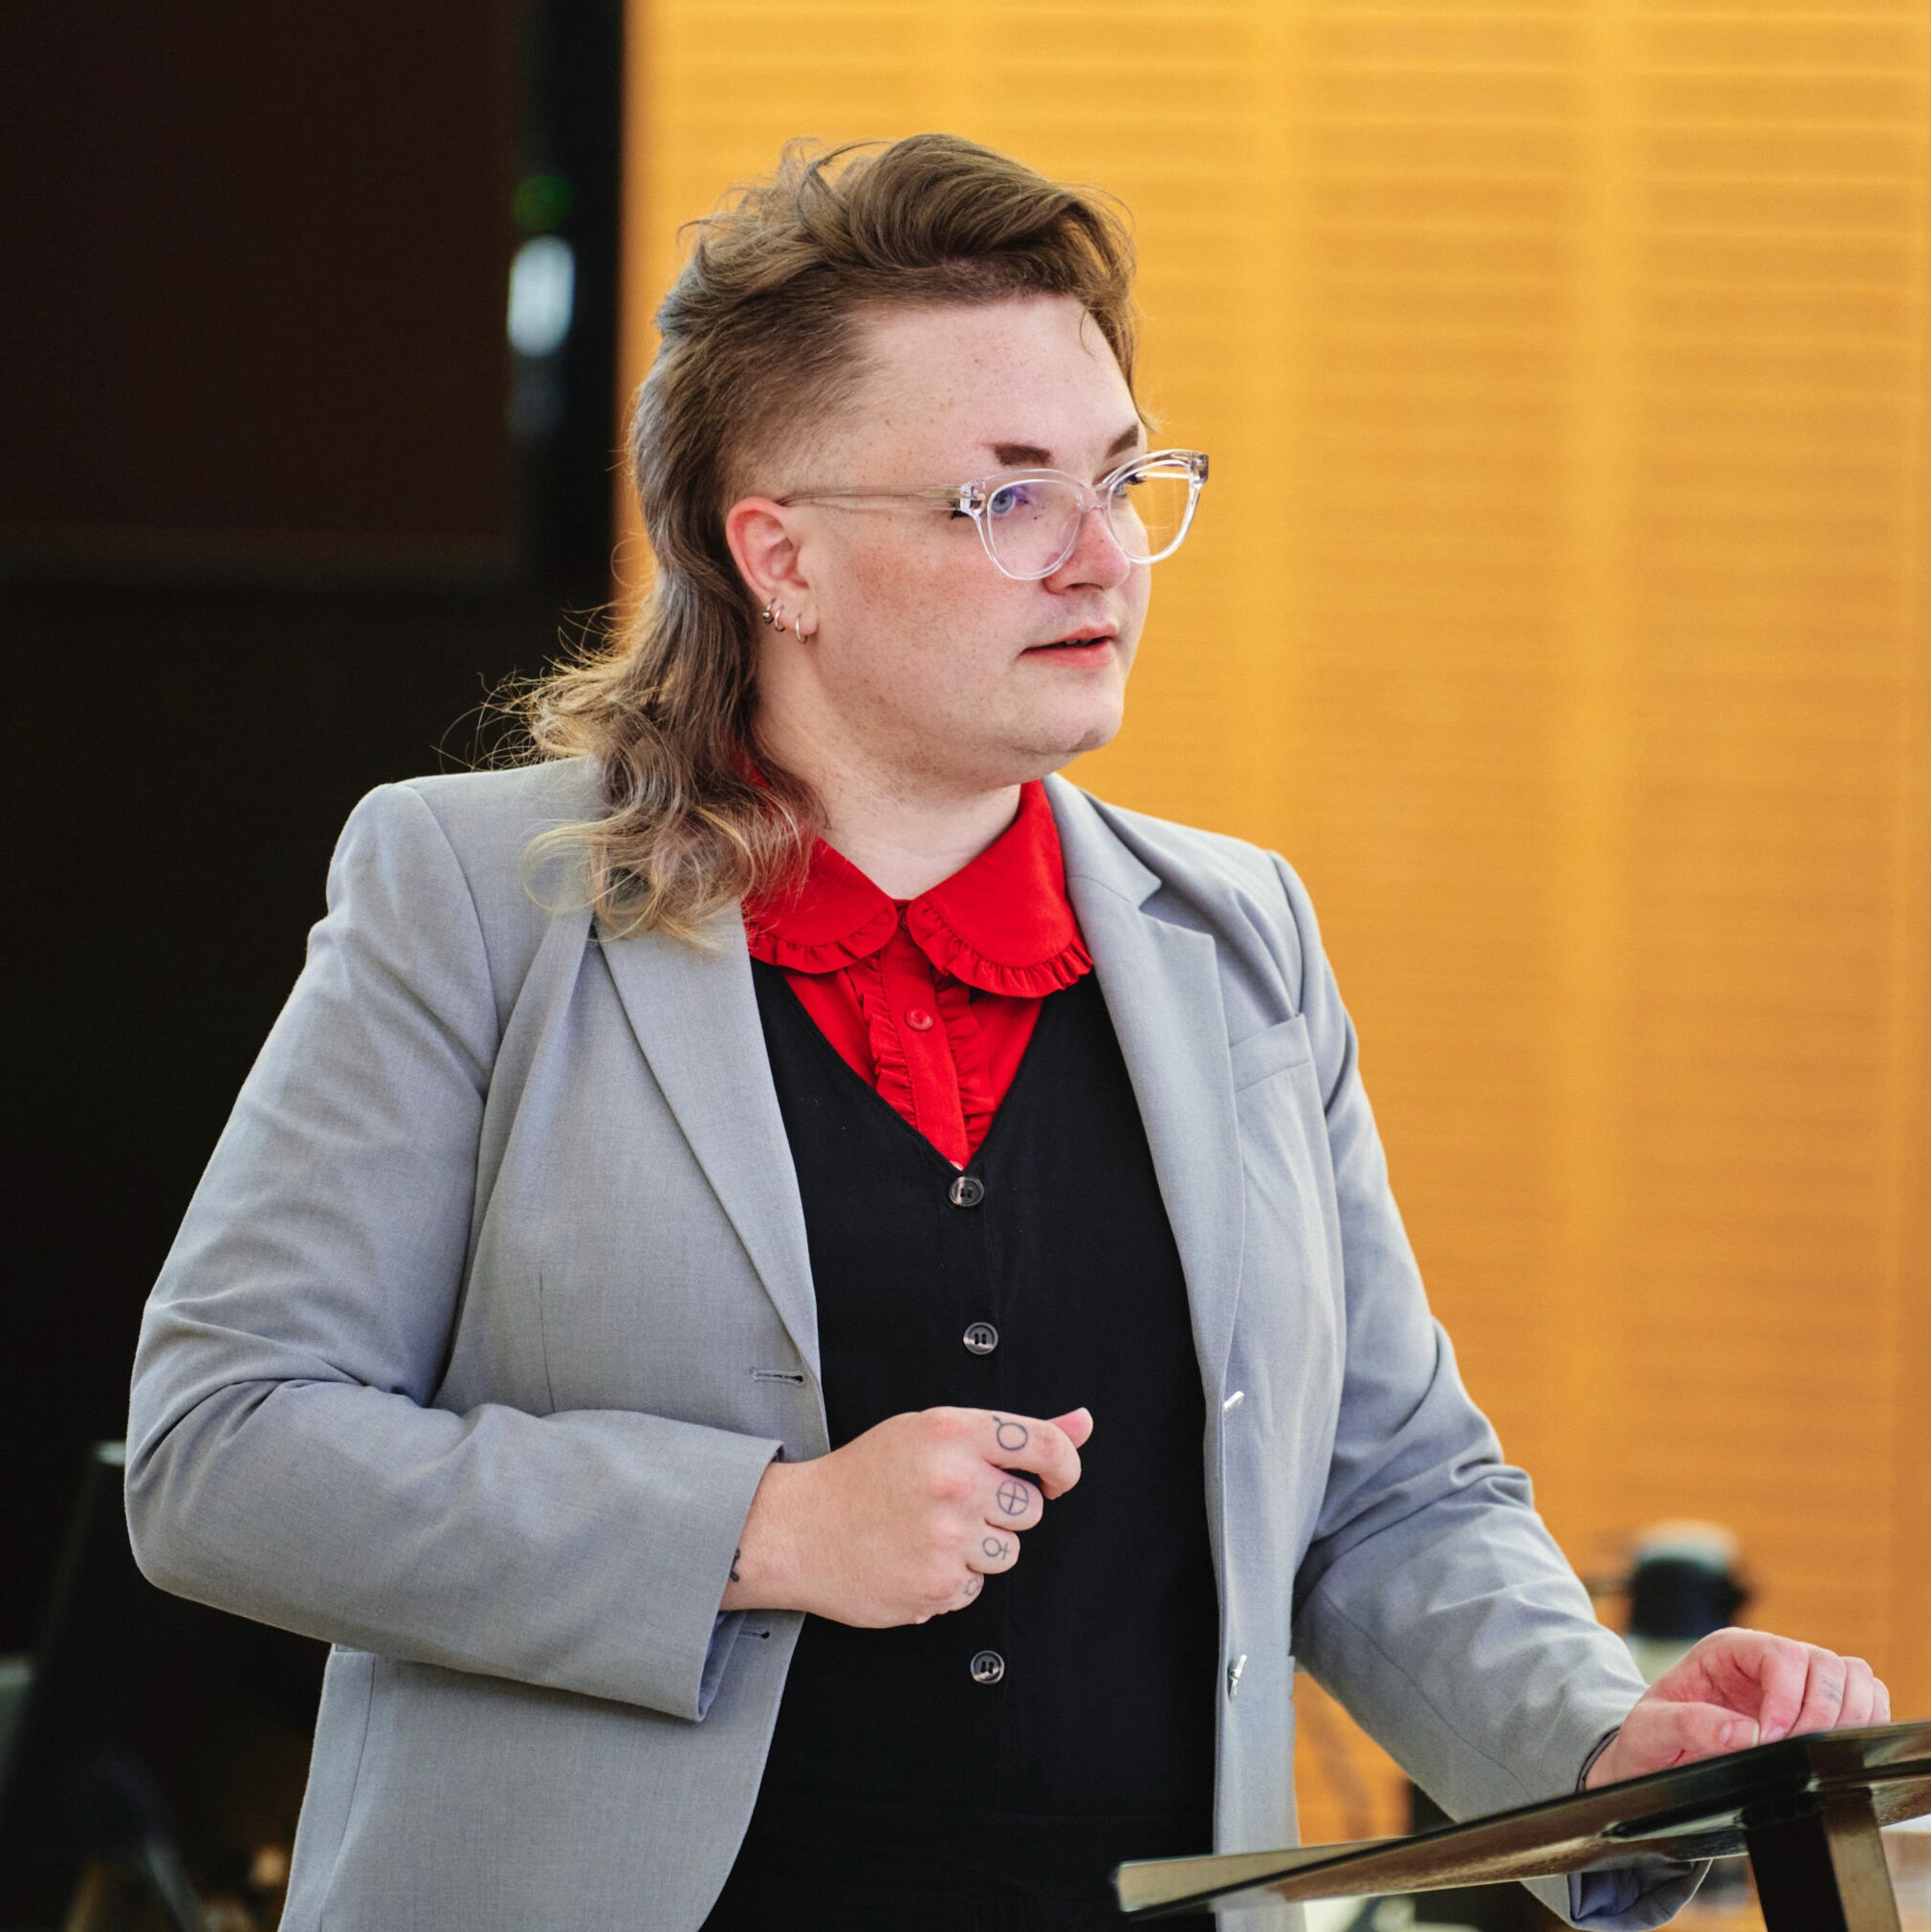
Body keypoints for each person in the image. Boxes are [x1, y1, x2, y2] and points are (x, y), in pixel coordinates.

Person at [125, 134, 1890, 1932]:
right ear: (779, 555)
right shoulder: (479, 895)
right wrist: (758, 1531)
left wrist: (1601, 1744)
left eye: (1123, 480)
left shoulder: (1243, 938)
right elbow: (225, 1451)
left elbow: (1386, 1495)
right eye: (1008, 498)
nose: (1101, 557)